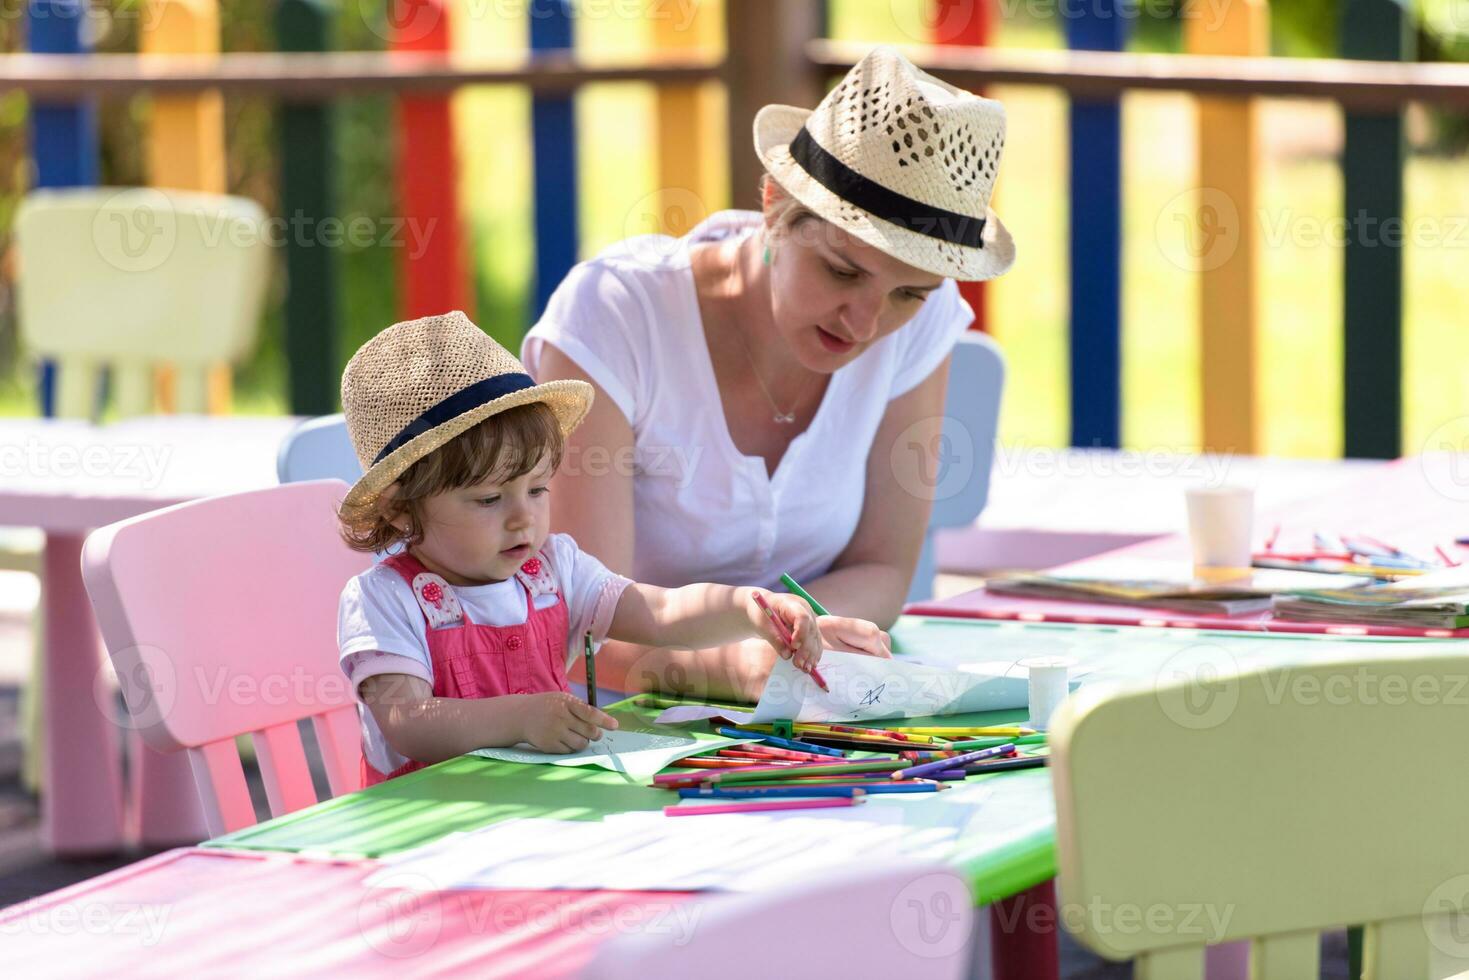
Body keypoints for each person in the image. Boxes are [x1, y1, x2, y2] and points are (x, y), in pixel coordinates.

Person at [522, 46, 1015, 702]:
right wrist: (743, 668)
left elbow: (883, 569)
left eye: (907, 294)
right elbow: (577, 625)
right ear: (774, 203)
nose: (865, 324)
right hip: (613, 730)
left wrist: (795, 648)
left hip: (806, 709)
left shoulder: (925, 324)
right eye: (843, 271)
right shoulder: (616, 313)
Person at [334, 311, 891, 784]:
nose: (523, 517)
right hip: (429, 831)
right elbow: (406, 719)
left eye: (536, 488)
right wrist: (519, 719)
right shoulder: (385, 598)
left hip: (544, 816)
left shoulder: (552, 571)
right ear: (400, 508)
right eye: (488, 499)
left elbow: (663, 612)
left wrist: (748, 608)